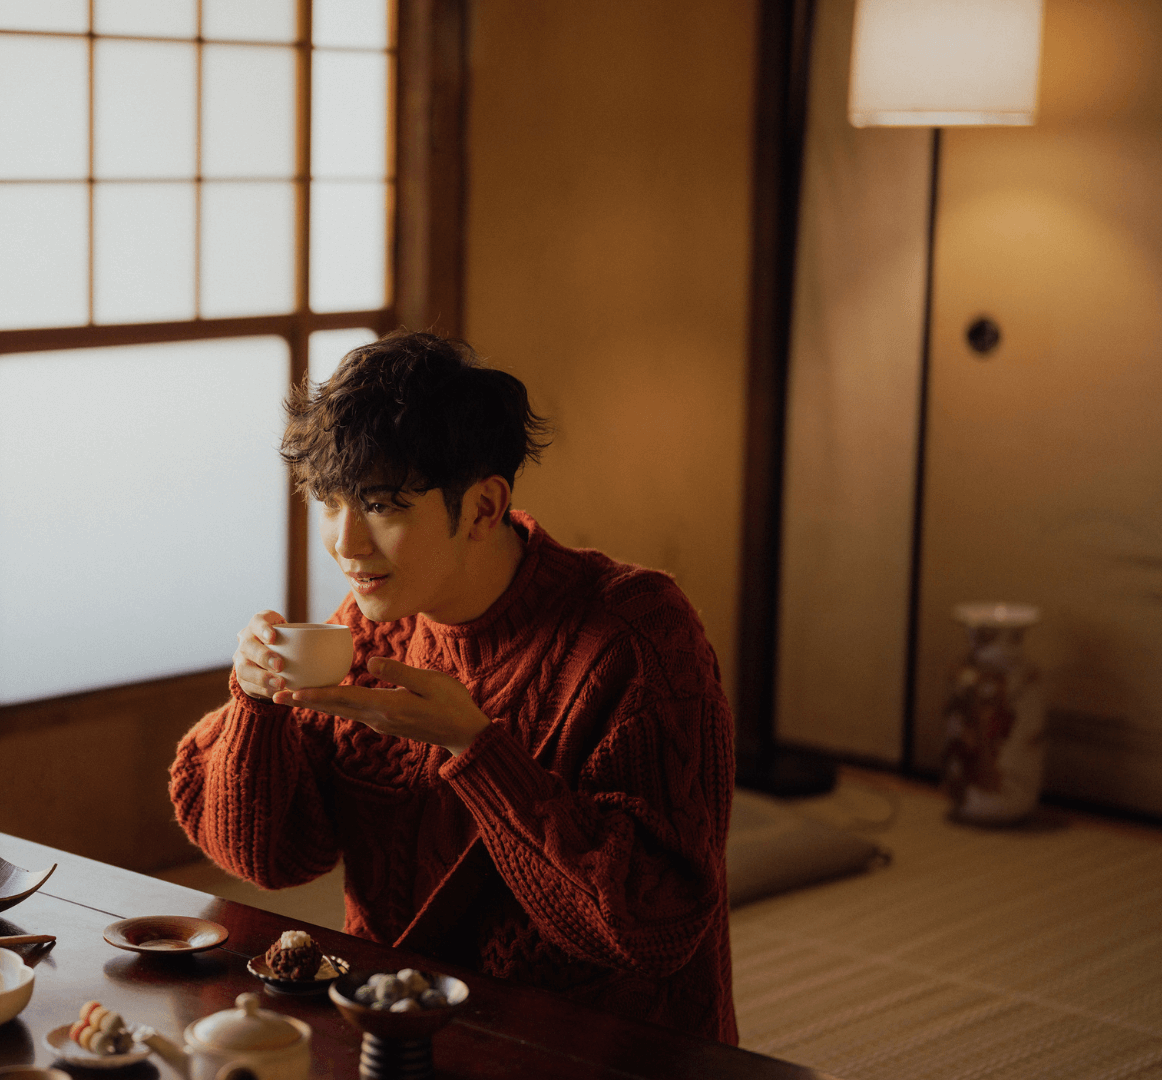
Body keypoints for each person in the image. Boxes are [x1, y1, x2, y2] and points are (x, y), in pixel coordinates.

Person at [169, 332, 737, 1043]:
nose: (345, 543)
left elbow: (657, 925)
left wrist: (474, 746)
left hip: (602, 1051)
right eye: (329, 501)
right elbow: (270, 858)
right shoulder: (370, 632)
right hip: (409, 1034)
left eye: (382, 506)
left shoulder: (638, 635)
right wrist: (256, 705)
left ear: (482, 508)